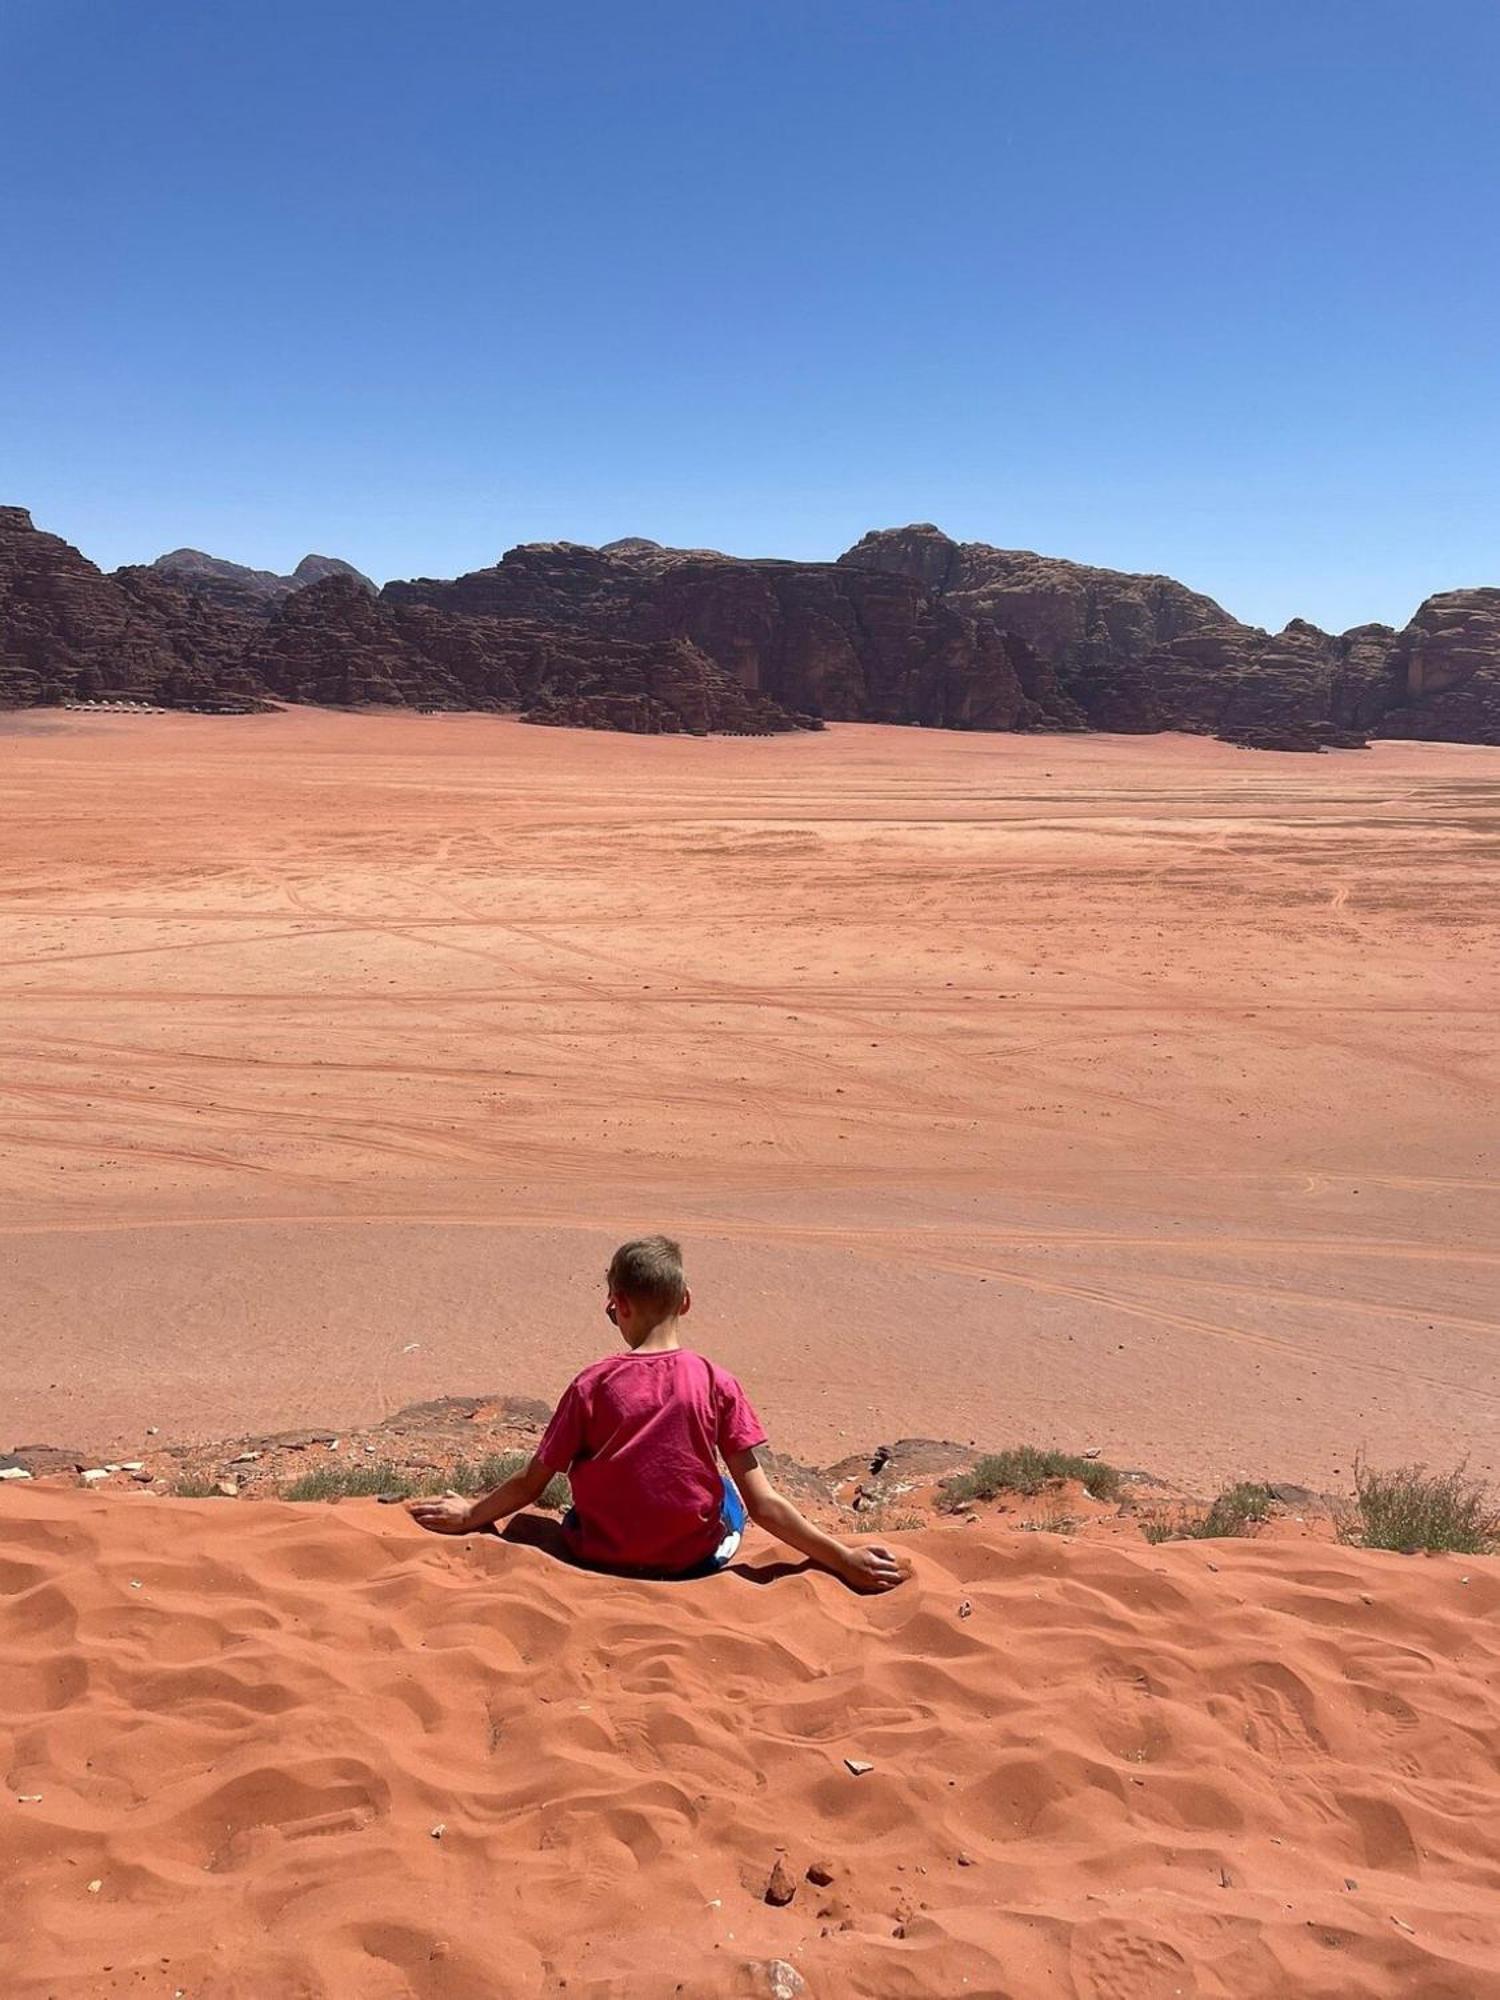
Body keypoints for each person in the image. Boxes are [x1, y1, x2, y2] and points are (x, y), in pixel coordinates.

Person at [409, 1234, 907, 1593]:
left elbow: (530, 1482)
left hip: (597, 1554)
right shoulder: (717, 1382)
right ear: (685, 1302)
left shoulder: (592, 1383)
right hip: (693, 1561)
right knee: (730, 1487)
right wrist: (843, 1559)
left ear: (618, 1305)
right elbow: (764, 1505)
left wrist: (472, 1515)